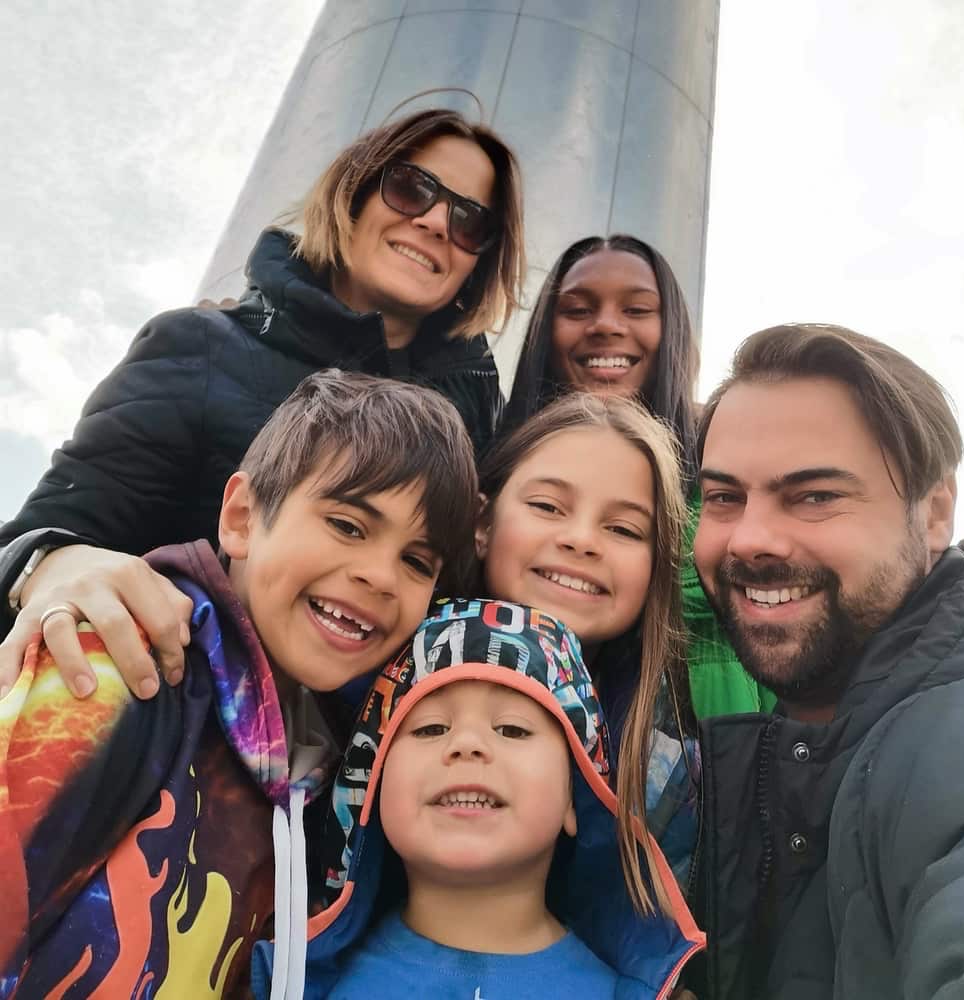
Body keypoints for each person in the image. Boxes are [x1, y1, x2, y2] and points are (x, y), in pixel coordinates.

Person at [0, 105, 524, 703]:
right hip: (166, 720)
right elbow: (49, 531)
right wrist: (56, 564)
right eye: (412, 188)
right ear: (355, 190)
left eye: (470, 221)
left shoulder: (479, 434)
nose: (434, 222)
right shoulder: (200, 346)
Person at [0, 370, 479, 997]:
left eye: (416, 561)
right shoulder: (114, 669)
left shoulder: (334, 774)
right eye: (348, 525)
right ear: (243, 517)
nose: (381, 576)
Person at [690, 323, 964, 999]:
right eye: (724, 498)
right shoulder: (786, 744)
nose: (750, 539)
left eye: (815, 496)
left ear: (934, 512)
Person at [251, 599, 705, 998]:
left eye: (512, 729)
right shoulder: (293, 984)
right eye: (430, 728)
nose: (466, 744)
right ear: (371, 785)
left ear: (578, 793)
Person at [499, 234, 773, 719]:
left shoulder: (732, 467)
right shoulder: (497, 463)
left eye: (637, 309)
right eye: (578, 309)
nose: (606, 325)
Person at [475, 393, 698, 879]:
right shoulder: (381, 692)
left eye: (624, 529)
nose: (581, 540)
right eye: (547, 506)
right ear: (483, 523)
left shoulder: (667, 777)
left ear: (657, 570)